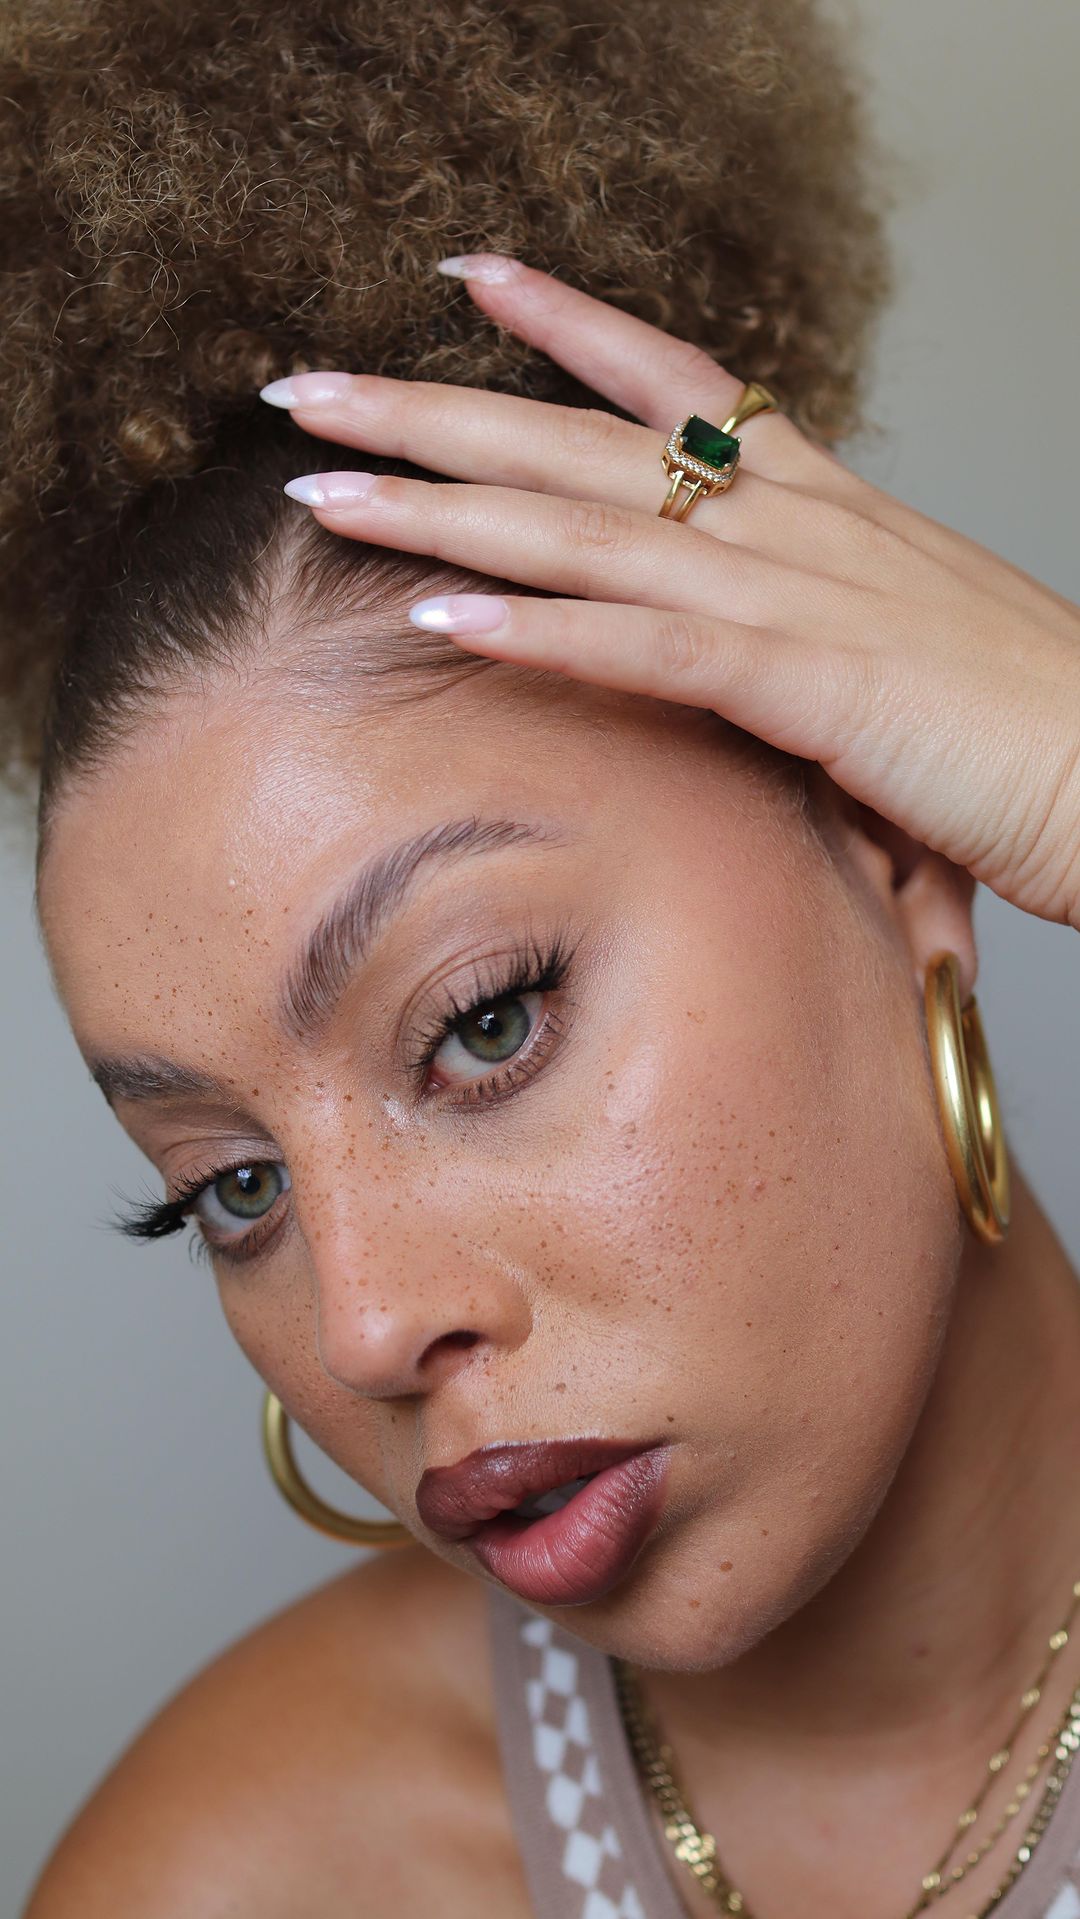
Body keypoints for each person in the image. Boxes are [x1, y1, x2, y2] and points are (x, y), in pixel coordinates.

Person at [9, 0, 1080, 1913]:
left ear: (895, 841)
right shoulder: (246, 1881)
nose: (363, 1329)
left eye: (483, 1022)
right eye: (234, 1187)